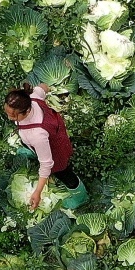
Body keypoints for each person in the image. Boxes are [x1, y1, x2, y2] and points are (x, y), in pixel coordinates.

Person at [6, 84, 87, 213]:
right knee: (32, 145)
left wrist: (37, 192)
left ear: (27, 111)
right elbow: (43, 87)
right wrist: (45, 88)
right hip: (54, 133)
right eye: (8, 113)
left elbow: (46, 164)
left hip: (55, 150)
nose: (10, 118)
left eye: (14, 116)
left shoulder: (37, 135)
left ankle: (81, 197)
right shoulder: (32, 97)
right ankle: (34, 152)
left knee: (63, 173)